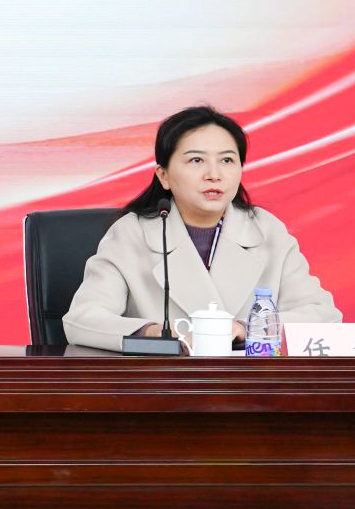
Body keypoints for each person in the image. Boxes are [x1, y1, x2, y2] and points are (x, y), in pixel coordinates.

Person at [63, 104, 339, 352]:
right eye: (196, 160)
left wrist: (247, 328)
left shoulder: (267, 231)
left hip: (249, 384)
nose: (214, 175)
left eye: (227, 160)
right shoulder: (131, 233)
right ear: (164, 176)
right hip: (161, 384)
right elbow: (83, 319)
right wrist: (152, 333)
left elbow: (323, 315)